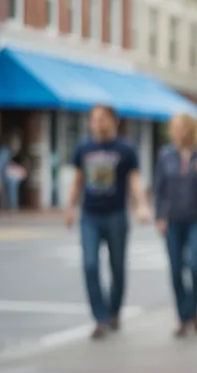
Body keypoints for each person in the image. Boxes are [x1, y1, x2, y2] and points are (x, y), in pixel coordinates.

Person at [64, 105, 152, 339]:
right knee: (90, 265)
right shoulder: (83, 147)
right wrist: (70, 207)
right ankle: (100, 318)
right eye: (93, 119)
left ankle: (114, 311)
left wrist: (142, 205)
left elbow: (134, 180)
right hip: (90, 215)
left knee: (117, 267)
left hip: (116, 215)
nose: (97, 123)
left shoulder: (125, 149)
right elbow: (78, 179)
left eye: (102, 119)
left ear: (114, 121)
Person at [153, 113, 197, 338]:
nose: (178, 132)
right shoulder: (166, 155)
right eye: (175, 127)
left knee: (194, 265)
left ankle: (194, 310)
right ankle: (183, 317)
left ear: (192, 130)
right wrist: (159, 216)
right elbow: (159, 189)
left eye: (182, 127)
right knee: (175, 269)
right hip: (173, 218)